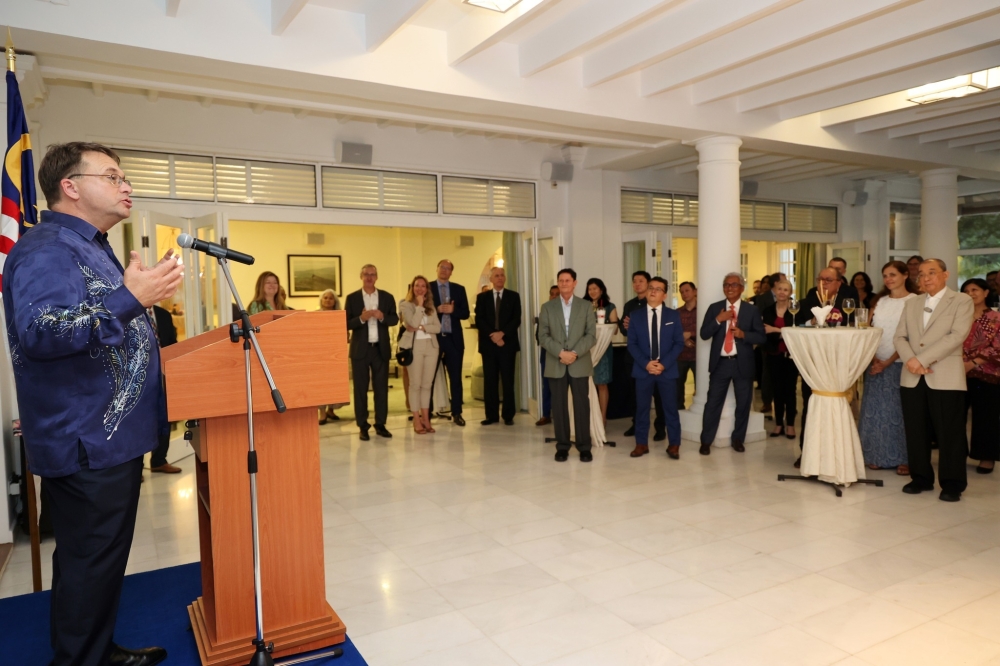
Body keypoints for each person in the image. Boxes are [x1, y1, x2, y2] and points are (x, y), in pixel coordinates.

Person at [2, 142, 182, 666]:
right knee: (89, 562)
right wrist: (133, 298)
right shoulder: (47, 249)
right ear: (71, 186)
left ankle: (95, 652)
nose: (127, 186)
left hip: (105, 439)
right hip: (85, 439)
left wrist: (134, 298)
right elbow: (42, 330)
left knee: (96, 563)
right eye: (113, 176)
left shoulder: (90, 246)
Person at [894, 259, 974, 502]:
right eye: (921, 274)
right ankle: (920, 477)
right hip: (912, 375)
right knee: (916, 430)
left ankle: (952, 483)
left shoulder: (961, 300)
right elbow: (900, 336)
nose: (926, 278)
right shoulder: (913, 303)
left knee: (949, 432)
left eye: (932, 273)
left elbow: (957, 335)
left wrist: (923, 360)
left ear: (945, 274)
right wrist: (911, 361)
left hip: (945, 376)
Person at [794, 267, 860, 463]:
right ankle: (806, 451)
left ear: (839, 282)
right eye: (820, 279)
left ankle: (838, 454)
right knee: (811, 405)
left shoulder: (848, 303)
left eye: (829, 280)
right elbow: (795, 323)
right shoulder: (808, 301)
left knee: (837, 406)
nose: (823, 283)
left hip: (839, 362)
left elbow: (855, 327)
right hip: (814, 363)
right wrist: (811, 321)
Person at [858, 261, 918, 474]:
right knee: (875, 411)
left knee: (900, 412)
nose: (888, 279)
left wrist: (889, 361)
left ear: (904, 275)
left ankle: (904, 458)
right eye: (885, 275)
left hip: (901, 362)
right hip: (876, 362)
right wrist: (874, 358)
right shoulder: (879, 301)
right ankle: (876, 454)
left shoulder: (915, 301)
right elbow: (868, 330)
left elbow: (912, 337)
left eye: (893, 274)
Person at [699, 273, 766, 455]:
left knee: (743, 404)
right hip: (720, 364)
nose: (729, 288)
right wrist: (718, 320)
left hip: (742, 363)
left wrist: (744, 335)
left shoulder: (751, 310)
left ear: (741, 288)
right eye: (726, 284)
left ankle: (738, 439)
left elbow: (761, 337)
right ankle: (706, 441)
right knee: (712, 403)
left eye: (734, 285)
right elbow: (704, 334)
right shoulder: (715, 309)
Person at [539, 268, 597, 462]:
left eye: (567, 280)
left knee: (581, 405)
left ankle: (584, 447)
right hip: (556, 363)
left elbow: (591, 335)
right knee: (559, 405)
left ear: (575, 283)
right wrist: (560, 353)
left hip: (579, 362)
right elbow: (543, 336)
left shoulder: (586, 306)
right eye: (561, 281)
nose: (563, 283)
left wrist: (573, 353)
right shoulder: (547, 307)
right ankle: (562, 446)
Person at [626, 277, 684, 458]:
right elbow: (632, 344)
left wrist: (663, 364)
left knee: (670, 409)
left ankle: (674, 444)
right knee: (642, 409)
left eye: (658, 289)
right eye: (651, 288)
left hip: (666, 370)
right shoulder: (636, 316)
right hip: (644, 370)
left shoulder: (673, 315)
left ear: (664, 295)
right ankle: (641, 443)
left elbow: (678, 343)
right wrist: (646, 364)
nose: (653, 291)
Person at [345, 264, 399, 441]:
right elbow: (345, 323)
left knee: (381, 389)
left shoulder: (386, 297)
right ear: (361, 276)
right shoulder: (352, 298)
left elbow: (394, 319)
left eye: (372, 274)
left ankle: (380, 424)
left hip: (380, 349)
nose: (369, 277)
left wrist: (382, 316)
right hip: (360, 350)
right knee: (360, 390)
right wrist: (362, 318)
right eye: (366, 274)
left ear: (377, 277)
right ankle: (363, 426)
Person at [619, 271, 666, 441]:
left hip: (654, 358)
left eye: (641, 281)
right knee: (635, 395)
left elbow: (659, 329)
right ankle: (636, 424)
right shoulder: (629, 305)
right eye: (634, 281)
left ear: (648, 284)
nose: (637, 284)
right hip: (634, 358)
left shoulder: (656, 303)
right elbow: (624, 329)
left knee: (659, 396)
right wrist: (629, 327)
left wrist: (636, 326)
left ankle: (660, 427)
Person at [961, 278, 1000, 474]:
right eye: (966, 290)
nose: (971, 293)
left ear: (986, 292)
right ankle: (957, 454)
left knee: (986, 417)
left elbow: (997, 347)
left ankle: (986, 457)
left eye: (975, 289)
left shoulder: (996, 317)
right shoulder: (959, 316)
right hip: (958, 373)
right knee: (956, 416)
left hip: (986, 374)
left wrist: (972, 363)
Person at [475, 266, 521, 425]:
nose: (500, 278)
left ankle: (508, 415)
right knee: (490, 381)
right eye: (496, 275)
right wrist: (493, 336)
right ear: (491, 279)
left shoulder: (514, 296)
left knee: (508, 381)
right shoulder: (482, 298)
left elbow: (516, 319)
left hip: (507, 344)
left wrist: (502, 334)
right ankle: (491, 415)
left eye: (502, 275)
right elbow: (479, 320)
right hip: (489, 346)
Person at [429, 259, 470, 426]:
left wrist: (454, 311)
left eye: (448, 268)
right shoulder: (428, 288)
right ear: (437, 269)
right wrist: (436, 310)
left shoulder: (459, 289)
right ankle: (427, 412)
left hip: (454, 340)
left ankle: (457, 412)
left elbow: (465, 313)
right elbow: (421, 310)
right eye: (442, 267)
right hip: (434, 339)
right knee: (429, 378)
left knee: (456, 378)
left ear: (451, 272)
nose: (444, 270)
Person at [399, 276, 442, 434]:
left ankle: (426, 419)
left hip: (431, 347)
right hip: (414, 347)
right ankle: (416, 419)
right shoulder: (405, 305)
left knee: (427, 385)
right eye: (417, 285)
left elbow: (437, 328)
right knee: (415, 385)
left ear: (427, 289)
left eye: (423, 286)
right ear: (412, 287)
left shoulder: (431, 306)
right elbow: (412, 323)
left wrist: (423, 327)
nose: (420, 288)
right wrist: (419, 306)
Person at [761, 279, 798, 440]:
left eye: (786, 290)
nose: (782, 292)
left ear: (791, 293)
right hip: (774, 355)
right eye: (779, 289)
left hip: (791, 356)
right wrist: (783, 333)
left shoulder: (796, 309)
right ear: (775, 291)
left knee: (790, 391)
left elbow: (797, 332)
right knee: (777, 391)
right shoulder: (768, 310)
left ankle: (790, 425)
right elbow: (765, 332)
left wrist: (776, 330)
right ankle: (778, 424)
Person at [148, 304, 181, 474]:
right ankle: (135, 468)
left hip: (162, 371)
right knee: (140, 420)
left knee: (164, 414)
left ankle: (159, 459)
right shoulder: (131, 312)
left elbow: (172, 342)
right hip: (138, 374)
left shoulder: (163, 315)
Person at [583, 277, 619, 426]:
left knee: (601, 384)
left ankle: (602, 418)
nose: (592, 291)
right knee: (585, 383)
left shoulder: (610, 306)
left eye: (595, 289)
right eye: (589, 289)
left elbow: (615, 330)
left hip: (603, 349)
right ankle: (588, 418)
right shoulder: (582, 306)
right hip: (585, 350)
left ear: (601, 290)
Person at [317, 289, 346, 425]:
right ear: (321, 300)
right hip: (320, 354)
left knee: (334, 383)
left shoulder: (340, 315)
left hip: (336, 354)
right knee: (321, 384)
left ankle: (331, 410)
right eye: (325, 298)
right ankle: (322, 412)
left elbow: (345, 334)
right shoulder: (314, 315)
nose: (328, 300)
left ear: (335, 301)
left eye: (331, 298)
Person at [536, 285, 559, 426]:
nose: (554, 296)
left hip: (565, 354)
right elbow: (539, 336)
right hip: (548, 354)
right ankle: (546, 414)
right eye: (552, 294)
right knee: (547, 386)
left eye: (557, 294)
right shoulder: (544, 311)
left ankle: (562, 415)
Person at [676, 281, 698, 410]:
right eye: (682, 292)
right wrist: (684, 340)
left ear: (694, 291)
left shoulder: (703, 310)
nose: (684, 294)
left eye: (687, 290)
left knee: (701, 387)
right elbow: (673, 332)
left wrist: (690, 334)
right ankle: (679, 412)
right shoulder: (677, 312)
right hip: (681, 355)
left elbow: (706, 329)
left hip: (698, 356)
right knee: (677, 387)